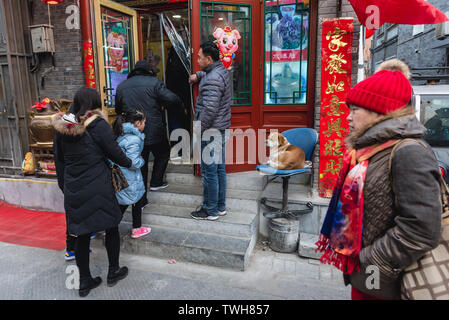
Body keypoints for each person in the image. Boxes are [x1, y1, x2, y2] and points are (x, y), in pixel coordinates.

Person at [315, 59, 442, 300]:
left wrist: (368, 262)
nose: (348, 118)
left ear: (378, 111)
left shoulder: (408, 152)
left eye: (355, 110)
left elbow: (421, 229)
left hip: (384, 278)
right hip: (366, 273)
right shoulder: (370, 149)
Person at [53, 87, 132, 297]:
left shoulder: (63, 128)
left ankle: (85, 281)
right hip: (98, 185)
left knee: (81, 233)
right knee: (111, 225)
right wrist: (130, 162)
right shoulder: (97, 125)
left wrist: (65, 186)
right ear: (95, 102)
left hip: (74, 187)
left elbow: (59, 161)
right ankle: (113, 271)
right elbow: (114, 151)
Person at [115, 60, 185, 198]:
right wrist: (179, 107)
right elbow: (172, 99)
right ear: (149, 71)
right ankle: (156, 182)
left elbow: (118, 109)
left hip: (131, 131)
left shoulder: (122, 86)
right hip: (153, 129)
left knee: (141, 163)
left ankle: (141, 201)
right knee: (163, 153)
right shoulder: (155, 82)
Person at [188, 41, 231, 221]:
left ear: (208, 59)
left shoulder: (213, 78)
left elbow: (210, 110)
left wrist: (199, 129)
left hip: (210, 130)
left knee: (209, 172)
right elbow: (208, 73)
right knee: (219, 169)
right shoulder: (219, 70)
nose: (197, 60)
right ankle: (219, 206)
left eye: (199, 58)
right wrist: (197, 75)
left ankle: (210, 210)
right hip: (219, 128)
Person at [112, 108, 151, 239]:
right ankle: (132, 228)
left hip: (123, 176)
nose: (145, 125)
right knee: (128, 202)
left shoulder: (121, 134)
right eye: (144, 122)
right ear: (138, 123)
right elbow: (133, 162)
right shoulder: (133, 139)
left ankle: (134, 227)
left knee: (130, 201)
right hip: (130, 177)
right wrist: (142, 160)